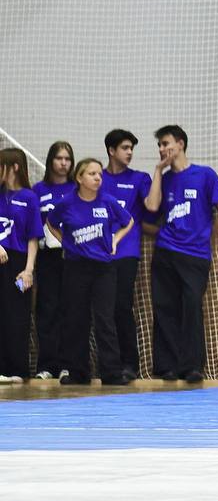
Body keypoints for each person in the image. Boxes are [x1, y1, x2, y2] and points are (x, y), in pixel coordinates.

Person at [144, 125, 218, 384]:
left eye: (166, 143)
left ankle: (192, 367)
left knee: (192, 307)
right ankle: (166, 367)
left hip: (195, 255)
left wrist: (206, 238)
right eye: (159, 145)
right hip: (165, 251)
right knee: (165, 308)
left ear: (180, 143)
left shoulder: (205, 175)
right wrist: (159, 170)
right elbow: (151, 206)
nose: (162, 149)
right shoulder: (165, 178)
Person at [47, 158, 132, 386]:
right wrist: (65, 241)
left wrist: (115, 240)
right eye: (92, 174)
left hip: (104, 268)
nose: (97, 178)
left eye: (99, 174)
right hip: (76, 268)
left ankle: (112, 372)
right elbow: (51, 222)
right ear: (79, 178)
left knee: (105, 319)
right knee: (76, 319)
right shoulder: (67, 203)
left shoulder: (107, 201)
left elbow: (128, 221)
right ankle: (78, 372)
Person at [100, 129, 152, 382]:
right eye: (124, 148)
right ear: (111, 150)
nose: (130, 152)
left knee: (122, 306)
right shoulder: (97, 178)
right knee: (102, 310)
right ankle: (108, 364)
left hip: (126, 252)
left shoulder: (140, 179)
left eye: (132, 148)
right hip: (97, 254)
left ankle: (130, 364)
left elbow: (153, 207)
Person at [32, 141, 74, 381]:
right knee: (47, 309)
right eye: (59, 158)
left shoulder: (76, 189)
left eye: (67, 158)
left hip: (72, 257)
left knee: (70, 310)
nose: (63, 163)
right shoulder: (38, 189)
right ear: (50, 161)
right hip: (47, 257)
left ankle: (68, 364)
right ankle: (46, 365)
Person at [0, 149, 40, 384]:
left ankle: (17, 369)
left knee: (17, 315)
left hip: (17, 261)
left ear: (14, 167)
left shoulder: (29, 197)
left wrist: (28, 269)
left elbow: (33, 237)